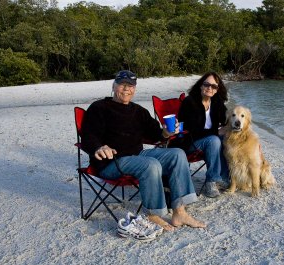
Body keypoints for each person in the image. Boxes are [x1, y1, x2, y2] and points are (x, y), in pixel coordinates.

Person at [81, 70, 206, 232]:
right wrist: (99, 147)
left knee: (177, 154)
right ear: (113, 86)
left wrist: (166, 133)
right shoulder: (99, 108)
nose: (127, 89)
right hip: (111, 162)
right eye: (122, 84)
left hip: (137, 156)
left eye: (131, 86)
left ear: (135, 89)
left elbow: (156, 133)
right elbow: (88, 135)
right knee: (151, 164)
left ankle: (179, 211)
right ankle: (153, 214)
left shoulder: (139, 111)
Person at [175, 71, 229, 198]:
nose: (210, 88)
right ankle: (211, 182)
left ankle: (225, 177)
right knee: (215, 140)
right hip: (189, 142)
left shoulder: (216, 102)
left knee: (226, 138)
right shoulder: (190, 102)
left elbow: (227, 120)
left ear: (217, 89)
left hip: (209, 141)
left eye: (214, 86)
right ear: (201, 85)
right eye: (207, 84)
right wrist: (217, 132)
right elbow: (192, 130)